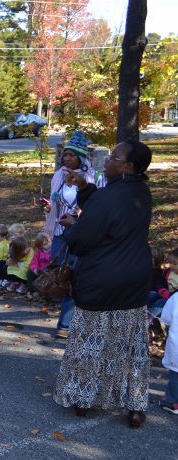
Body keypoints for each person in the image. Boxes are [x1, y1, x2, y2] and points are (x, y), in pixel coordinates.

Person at [53, 140, 153, 429]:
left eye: (114, 157)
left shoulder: (109, 197)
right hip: (134, 276)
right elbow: (109, 211)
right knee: (130, 343)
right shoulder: (140, 191)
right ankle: (135, 405)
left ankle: (84, 399)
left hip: (102, 276)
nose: (107, 160)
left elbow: (84, 238)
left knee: (91, 341)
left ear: (128, 166)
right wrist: (86, 189)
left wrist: (72, 229)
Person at [43, 131, 100, 338]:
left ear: (81, 158)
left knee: (74, 276)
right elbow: (55, 201)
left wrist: (80, 213)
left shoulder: (93, 177)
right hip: (60, 232)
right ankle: (68, 314)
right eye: (65, 154)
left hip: (81, 233)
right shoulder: (59, 175)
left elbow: (97, 205)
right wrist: (49, 208)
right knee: (59, 274)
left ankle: (65, 325)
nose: (67, 158)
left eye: (72, 155)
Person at [159, 291, 178, 415]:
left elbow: (166, 318)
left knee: (175, 376)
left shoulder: (176, 297)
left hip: (177, 345)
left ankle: (172, 402)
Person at [28, 232, 52, 297]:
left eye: (49, 242)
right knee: (30, 273)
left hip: (49, 270)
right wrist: (35, 269)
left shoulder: (53, 250)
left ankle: (46, 293)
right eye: (45, 244)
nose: (48, 245)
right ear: (40, 246)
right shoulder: (38, 252)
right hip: (40, 270)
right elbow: (34, 261)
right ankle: (31, 290)